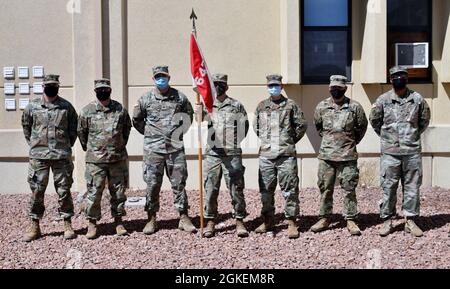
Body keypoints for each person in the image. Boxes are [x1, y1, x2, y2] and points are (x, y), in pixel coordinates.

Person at [132, 65, 196, 235]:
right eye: (158, 77)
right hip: (153, 150)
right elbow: (137, 120)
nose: (161, 79)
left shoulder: (179, 98)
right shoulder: (145, 99)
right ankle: (151, 219)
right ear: (153, 79)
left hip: (175, 149)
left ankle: (183, 217)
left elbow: (188, 116)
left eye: (164, 76)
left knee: (179, 184)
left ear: (169, 77)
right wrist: (150, 134)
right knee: (152, 185)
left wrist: (178, 133)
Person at [370, 66, 431, 237]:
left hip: (411, 152)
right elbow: (375, 121)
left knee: (412, 187)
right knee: (388, 187)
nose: (399, 79)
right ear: (390, 79)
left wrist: (411, 136)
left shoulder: (417, 99)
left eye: (402, 76)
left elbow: (424, 120)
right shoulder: (382, 100)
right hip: (390, 153)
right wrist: (387, 138)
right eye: (395, 76)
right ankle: (387, 220)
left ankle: (410, 220)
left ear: (407, 79)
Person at [21, 74, 78, 242]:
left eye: (55, 85)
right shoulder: (32, 107)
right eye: (49, 85)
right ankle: (34, 225)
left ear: (58, 86)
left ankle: (67, 223)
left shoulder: (66, 107)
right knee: (37, 191)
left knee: (64, 190)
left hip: (61, 155)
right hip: (39, 156)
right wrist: (36, 145)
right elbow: (27, 128)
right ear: (43, 87)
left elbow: (73, 130)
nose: (52, 87)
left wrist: (65, 146)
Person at [312, 75, 368, 236]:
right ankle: (324, 217)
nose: (336, 90)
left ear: (345, 88)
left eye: (339, 87)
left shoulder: (354, 107)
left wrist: (350, 142)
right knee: (325, 189)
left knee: (349, 189)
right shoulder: (321, 106)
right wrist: (331, 141)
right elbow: (319, 127)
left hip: (347, 156)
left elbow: (361, 127)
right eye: (333, 87)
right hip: (327, 156)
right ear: (329, 88)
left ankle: (351, 219)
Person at [253, 74, 308, 239]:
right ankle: (268, 221)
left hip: (286, 155)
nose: (273, 88)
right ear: (267, 87)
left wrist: (289, 141)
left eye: (276, 85)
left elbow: (301, 125)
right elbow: (256, 127)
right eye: (270, 85)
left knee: (290, 190)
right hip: (266, 155)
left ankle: (291, 222)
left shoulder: (291, 105)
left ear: (281, 86)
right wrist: (267, 141)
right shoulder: (261, 106)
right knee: (265, 191)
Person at [196, 73, 249, 238]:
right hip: (212, 154)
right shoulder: (207, 104)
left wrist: (232, 142)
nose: (218, 87)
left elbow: (244, 127)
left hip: (231, 154)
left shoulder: (236, 105)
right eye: (215, 84)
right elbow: (198, 121)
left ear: (226, 86)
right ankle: (210, 220)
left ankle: (240, 220)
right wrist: (198, 111)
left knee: (236, 188)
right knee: (210, 188)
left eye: (221, 84)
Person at [77, 78, 132, 239]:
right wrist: (93, 149)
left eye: (105, 89)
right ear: (95, 92)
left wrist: (118, 146)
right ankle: (92, 223)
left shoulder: (120, 109)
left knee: (118, 193)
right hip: (96, 161)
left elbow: (126, 129)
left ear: (110, 90)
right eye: (100, 89)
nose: (103, 91)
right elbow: (82, 133)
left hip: (117, 159)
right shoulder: (87, 111)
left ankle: (119, 221)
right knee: (94, 192)